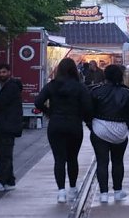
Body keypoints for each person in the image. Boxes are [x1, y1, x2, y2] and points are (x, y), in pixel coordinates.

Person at [34, 57, 93, 203]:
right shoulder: (80, 87)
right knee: (72, 158)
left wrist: (49, 112)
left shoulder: (52, 85)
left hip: (56, 124)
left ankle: (61, 191)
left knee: (59, 159)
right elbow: (88, 107)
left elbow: (38, 101)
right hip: (74, 125)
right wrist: (84, 118)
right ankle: (72, 188)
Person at [88, 65, 129, 203]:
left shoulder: (96, 91)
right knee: (118, 161)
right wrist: (128, 124)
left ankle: (103, 193)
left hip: (99, 128)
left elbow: (88, 109)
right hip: (119, 129)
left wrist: (90, 124)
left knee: (102, 162)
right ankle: (118, 191)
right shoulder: (126, 93)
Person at [0, 63, 24, 192]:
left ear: (9, 72)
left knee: (5, 155)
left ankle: (0, 181)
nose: (1, 75)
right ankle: (10, 181)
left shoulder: (12, 87)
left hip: (8, 125)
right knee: (0, 154)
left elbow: (0, 103)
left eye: (3, 72)